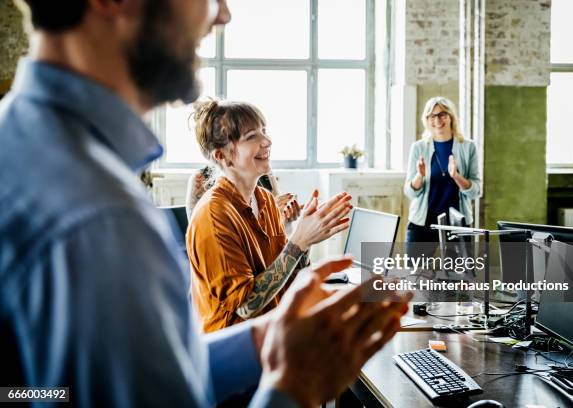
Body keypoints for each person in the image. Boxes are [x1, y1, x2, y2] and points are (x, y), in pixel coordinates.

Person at [0, 0, 411, 407]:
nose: (223, 14)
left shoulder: (31, 148)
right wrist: (295, 382)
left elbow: (138, 380)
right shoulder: (100, 214)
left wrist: (266, 338)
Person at [187, 100, 352, 332]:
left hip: (271, 336)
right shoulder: (213, 215)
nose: (267, 141)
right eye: (251, 136)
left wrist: (307, 237)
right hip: (233, 352)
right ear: (222, 156)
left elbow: (291, 278)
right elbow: (246, 305)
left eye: (264, 131)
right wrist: (299, 241)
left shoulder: (265, 200)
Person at [404, 96, 481, 258]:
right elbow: (410, 192)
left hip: (457, 223)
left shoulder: (468, 147)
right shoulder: (418, 147)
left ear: (451, 117)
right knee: (416, 276)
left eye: (442, 115)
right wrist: (420, 175)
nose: (437, 120)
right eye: (432, 116)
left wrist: (456, 176)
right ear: (427, 120)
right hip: (422, 222)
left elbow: (476, 192)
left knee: (459, 278)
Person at [186, 165, 300, 226]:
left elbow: (278, 212)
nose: (266, 142)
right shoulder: (201, 179)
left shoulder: (265, 173)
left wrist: (286, 217)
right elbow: (199, 228)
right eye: (251, 135)